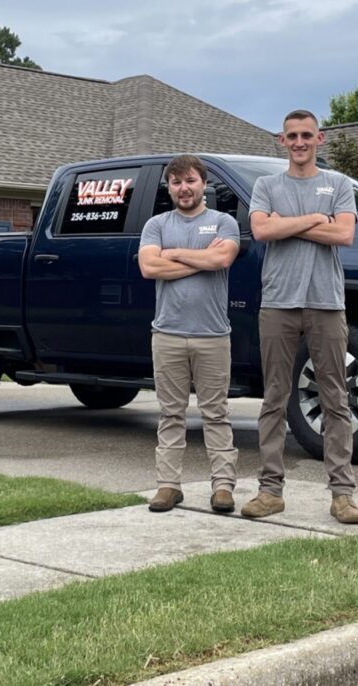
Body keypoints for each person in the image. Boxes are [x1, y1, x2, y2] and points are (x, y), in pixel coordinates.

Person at [241, 109, 358, 524]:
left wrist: (286, 224)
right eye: (291, 136)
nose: (298, 142)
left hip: (326, 302)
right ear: (281, 140)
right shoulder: (266, 185)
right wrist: (315, 219)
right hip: (278, 302)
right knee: (275, 397)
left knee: (335, 398)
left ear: (319, 139)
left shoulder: (339, 185)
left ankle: (342, 494)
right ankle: (270, 490)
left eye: (306, 135)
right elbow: (260, 231)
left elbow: (344, 234)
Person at [139, 154, 241, 514]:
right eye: (177, 182)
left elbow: (222, 260)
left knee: (216, 413)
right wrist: (199, 259)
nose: (184, 188)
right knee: (171, 413)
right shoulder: (156, 224)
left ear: (204, 184)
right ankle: (168, 486)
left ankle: (223, 487)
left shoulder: (223, 223)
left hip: (212, 335)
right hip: (167, 334)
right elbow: (149, 267)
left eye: (190, 181)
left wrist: (175, 255)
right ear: (170, 187)